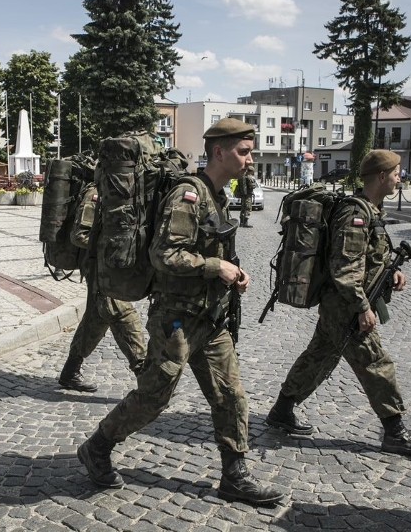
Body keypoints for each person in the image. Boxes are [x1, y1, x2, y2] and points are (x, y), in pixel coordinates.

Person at [77, 118, 284, 505]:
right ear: (219, 152)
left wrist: (231, 272)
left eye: (251, 150)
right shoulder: (189, 195)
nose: (251, 158)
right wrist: (213, 267)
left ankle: (234, 474)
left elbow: (212, 251)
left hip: (211, 318)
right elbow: (164, 254)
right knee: (154, 397)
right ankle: (98, 446)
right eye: (244, 151)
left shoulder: (219, 196)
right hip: (177, 320)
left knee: (230, 396)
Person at [266, 149, 411, 456]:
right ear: (382, 176)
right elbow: (344, 268)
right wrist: (362, 308)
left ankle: (282, 410)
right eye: (396, 173)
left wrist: (390, 274)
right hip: (346, 307)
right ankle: (395, 431)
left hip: (340, 305)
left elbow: (368, 259)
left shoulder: (371, 210)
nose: (400, 177)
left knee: (318, 357)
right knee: (375, 362)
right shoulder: (355, 215)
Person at [58, 182, 147, 392]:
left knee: (96, 319)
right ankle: (146, 379)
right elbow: (79, 235)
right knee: (122, 314)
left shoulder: (118, 194)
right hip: (99, 271)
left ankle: (70, 371)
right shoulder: (96, 194)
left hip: (113, 271)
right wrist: (113, 246)